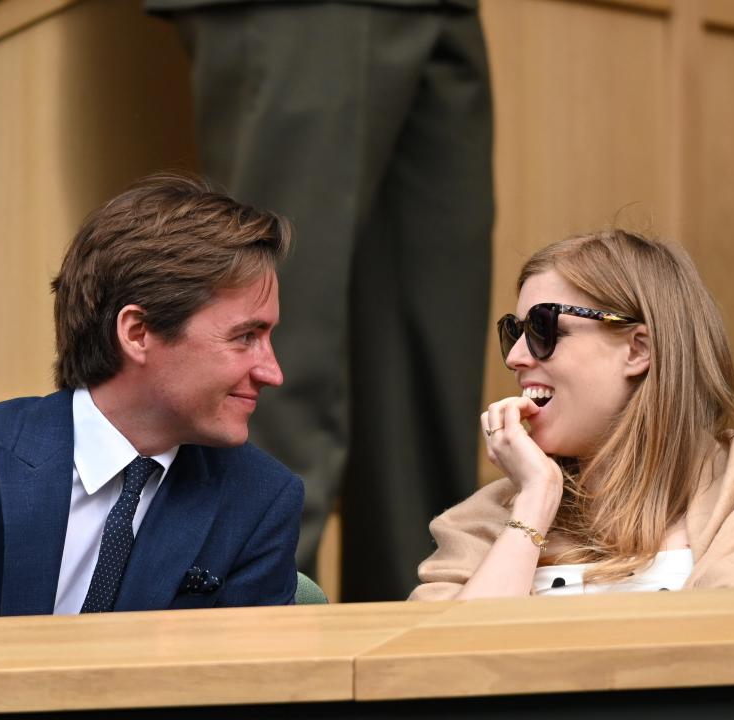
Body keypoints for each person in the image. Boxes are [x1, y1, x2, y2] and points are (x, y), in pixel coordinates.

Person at [144, 0, 493, 600]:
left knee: (423, 372)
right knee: (271, 356)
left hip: (442, 10)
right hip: (304, 13)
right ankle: (248, 652)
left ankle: (412, 662)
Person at [0, 172, 303, 620]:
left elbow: (244, 686)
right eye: (245, 337)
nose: (272, 372)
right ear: (138, 333)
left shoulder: (260, 499)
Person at [411, 229, 734, 600]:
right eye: (516, 332)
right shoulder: (485, 519)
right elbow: (438, 675)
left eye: (543, 329)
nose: (517, 357)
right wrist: (533, 506)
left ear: (638, 349)